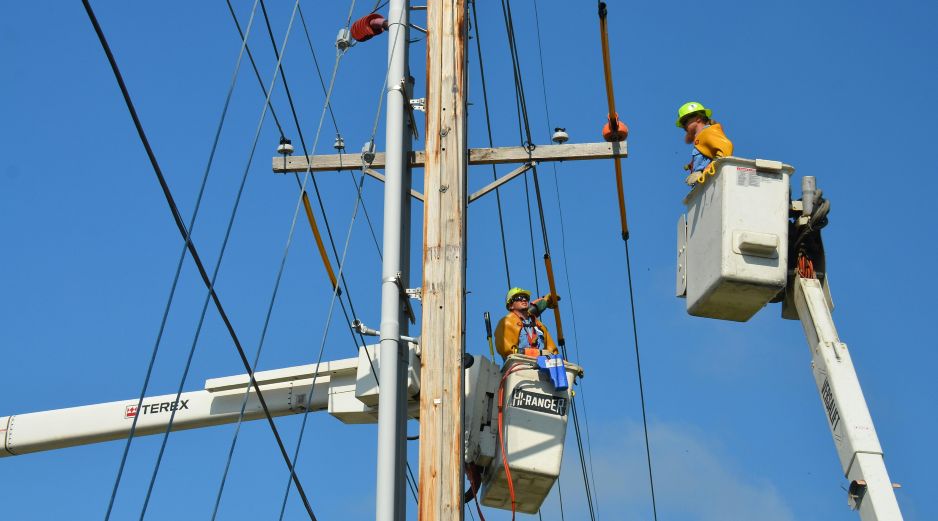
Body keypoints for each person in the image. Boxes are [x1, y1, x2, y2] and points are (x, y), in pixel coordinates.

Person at [494, 287, 559, 361]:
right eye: (519, 298)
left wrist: (544, 302)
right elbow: (508, 350)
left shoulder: (539, 325)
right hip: (521, 366)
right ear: (511, 305)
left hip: (544, 366)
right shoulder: (506, 322)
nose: (524, 300)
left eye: (526, 297)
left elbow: (553, 351)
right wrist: (538, 353)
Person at [676, 101, 734, 184]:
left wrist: (708, 169)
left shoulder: (708, 132)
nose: (683, 126)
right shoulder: (701, 137)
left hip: (712, 182)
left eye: (685, 121)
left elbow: (727, 147)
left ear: (698, 118)